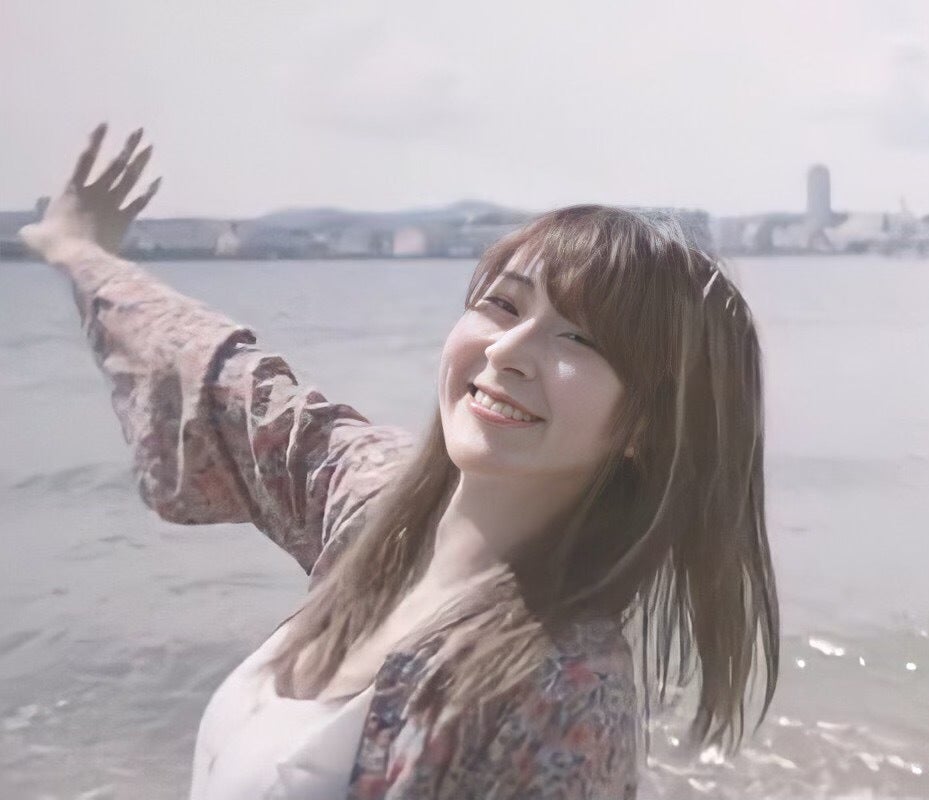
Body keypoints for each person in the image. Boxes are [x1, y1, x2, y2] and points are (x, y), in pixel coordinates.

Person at [20, 123, 780, 799]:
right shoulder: (374, 503)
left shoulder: (562, 694)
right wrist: (77, 250)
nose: (508, 351)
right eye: (503, 305)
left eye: (580, 339)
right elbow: (218, 375)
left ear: (648, 423)